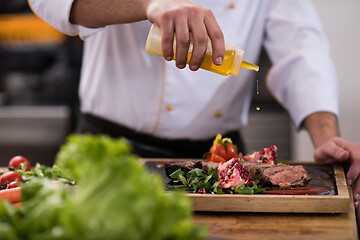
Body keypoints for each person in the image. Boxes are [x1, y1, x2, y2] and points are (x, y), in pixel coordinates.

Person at [28, 0, 360, 205]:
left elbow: (300, 52)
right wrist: (148, 3)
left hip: (221, 163)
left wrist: (326, 136)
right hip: (109, 152)